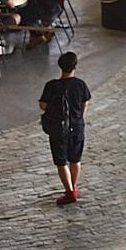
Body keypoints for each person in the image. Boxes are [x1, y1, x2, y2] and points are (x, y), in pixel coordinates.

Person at [40, 50, 92, 205]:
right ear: (75, 66)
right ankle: (73, 187)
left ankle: (69, 191)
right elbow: (85, 103)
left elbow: (43, 105)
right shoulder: (80, 84)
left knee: (61, 161)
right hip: (76, 127)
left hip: (58, 128)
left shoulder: (51, 86)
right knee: (75, 159)